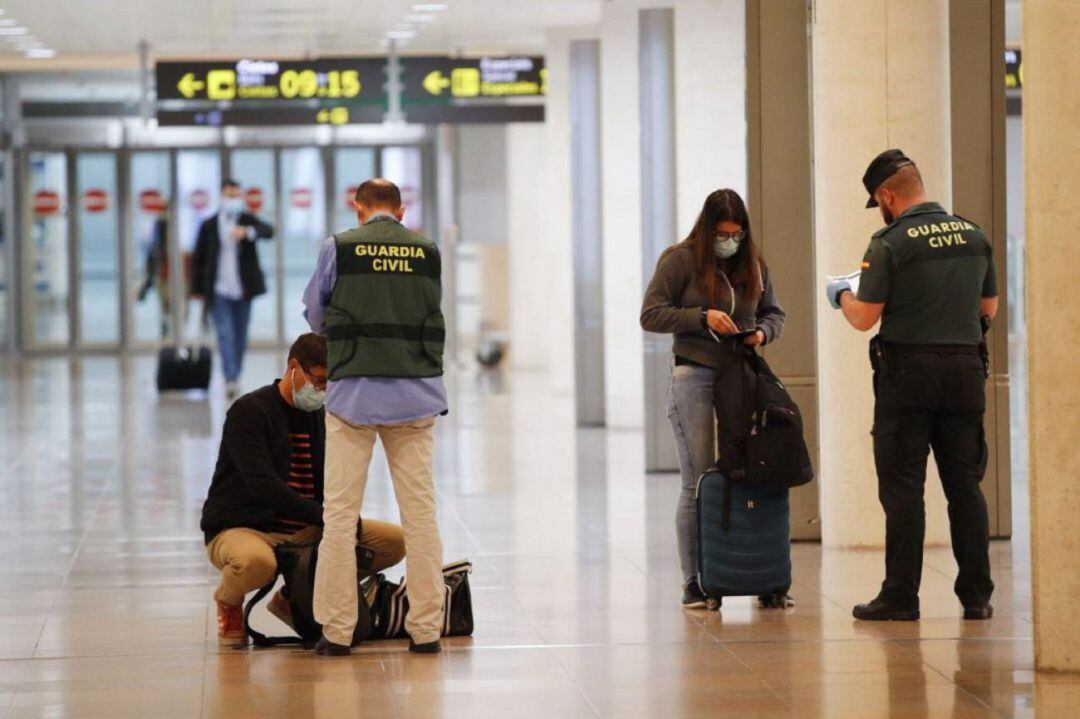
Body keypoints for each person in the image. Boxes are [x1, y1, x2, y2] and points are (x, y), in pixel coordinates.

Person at [825, 149, 998, 622]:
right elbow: (989, 310)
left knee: (904, 488)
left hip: (909, 377)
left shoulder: (890, 243)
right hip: (965, 373)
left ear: (886, 195)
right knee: (965, 484)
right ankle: (977, 596)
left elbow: (864, 318)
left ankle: (901, 595)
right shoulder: (974, 235)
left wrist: (840, 293)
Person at [304, 178, 448, 656]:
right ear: (401, 211)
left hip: (355, 398)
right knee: (421, 514)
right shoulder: (426, 250)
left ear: (358, 207)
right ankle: (426, 630)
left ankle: (337, 631)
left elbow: (315, 313)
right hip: (415, 395)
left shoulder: (339, 247)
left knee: (340, 516)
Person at [200, 333, 406, 645]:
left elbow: (330, 479)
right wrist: (323, 515)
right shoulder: (249, 412)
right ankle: (228, 602)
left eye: (329, 384)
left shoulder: (319, 417)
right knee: (257, 563)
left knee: (394, 542)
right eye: (319, 380)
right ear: (294, 367)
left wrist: (343, 518)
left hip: (306, 530)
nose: (322, 391)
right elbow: (262, 486)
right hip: (245, 527)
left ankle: (293, 595)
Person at [640, 188, 786, 608]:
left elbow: (775, 313)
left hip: (743, 377)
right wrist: (701, 317)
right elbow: (650, 314)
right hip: (696, 375)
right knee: (699, 478)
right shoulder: (680, 260)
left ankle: (761, 574)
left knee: (757, 470)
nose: (730, 241)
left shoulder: (753, 263)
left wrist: (762, 332)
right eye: (722, 233)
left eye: (737, 233)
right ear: (707, 230)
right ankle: (696, 581)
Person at [191, 179, 274, 401]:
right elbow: (199, 258)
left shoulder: (246, 220)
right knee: (225, 334)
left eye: (237, 195)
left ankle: (235, 373)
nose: (233, 200)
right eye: (230, 195)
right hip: (219, 291)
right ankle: (230, 378)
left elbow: (269, 231)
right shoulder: (209, 225)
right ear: (221, 197)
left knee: (240, 335)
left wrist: (247, 233)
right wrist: (196, 289)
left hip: (243, 290)